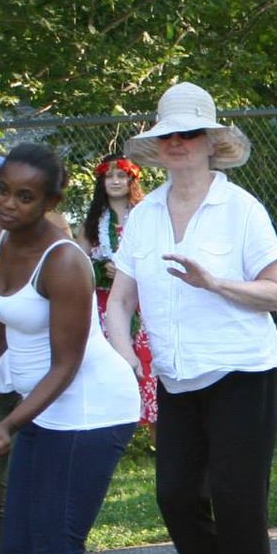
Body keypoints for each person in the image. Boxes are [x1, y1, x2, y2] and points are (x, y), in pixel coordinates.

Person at [103, 82, 277, 554]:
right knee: (176, 496)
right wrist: (123, 350)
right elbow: (119, 300)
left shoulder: (242, 209)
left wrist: (216, 283)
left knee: (237, 499)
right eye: (168, 137)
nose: (178, 144)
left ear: (213, 143)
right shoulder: (145, 216)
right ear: (156, 150)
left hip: (242, 370)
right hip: (176, 376)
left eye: (189, 134)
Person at [0, 146, 142, 554]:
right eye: (3, 192)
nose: (8, 204)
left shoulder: (65, 260)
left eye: (25, 196)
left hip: (91, 408)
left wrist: (8, 422)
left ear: (50, 201)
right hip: (44, 408)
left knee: (56, 552)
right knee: (24, 549)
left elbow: (66, 363)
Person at [0, 150, 64, 554]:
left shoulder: (54, 248)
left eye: (6, 190)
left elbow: (68, 346)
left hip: (47, 386)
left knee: (41, 498)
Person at [82, 156, 159, 425]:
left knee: (149, 362)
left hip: (144, 303)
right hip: (105, 307)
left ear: (132, 180)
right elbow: (77, 267)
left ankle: (158, 433)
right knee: (110, 363)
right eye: (109, 176)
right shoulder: (91, 225)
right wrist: (102, 269)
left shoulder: (147, 216)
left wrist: (130, 270)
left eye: (121, 176)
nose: (115, 181)